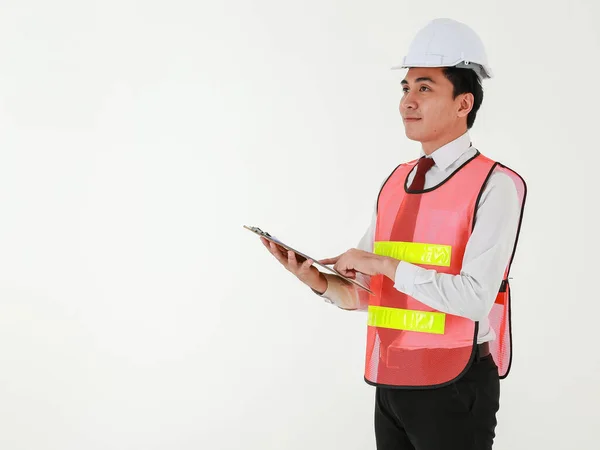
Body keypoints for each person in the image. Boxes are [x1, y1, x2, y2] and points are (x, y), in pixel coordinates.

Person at [260, 18, 527, 450]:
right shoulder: (396, 183)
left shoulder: (494, 185)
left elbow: (475, 297)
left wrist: (380, 263)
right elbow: (371, 293)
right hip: (394, 379)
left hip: (455, 386)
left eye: (424, 88)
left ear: (464, 103)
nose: (408, 101)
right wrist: (320, 282)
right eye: (405, 89)